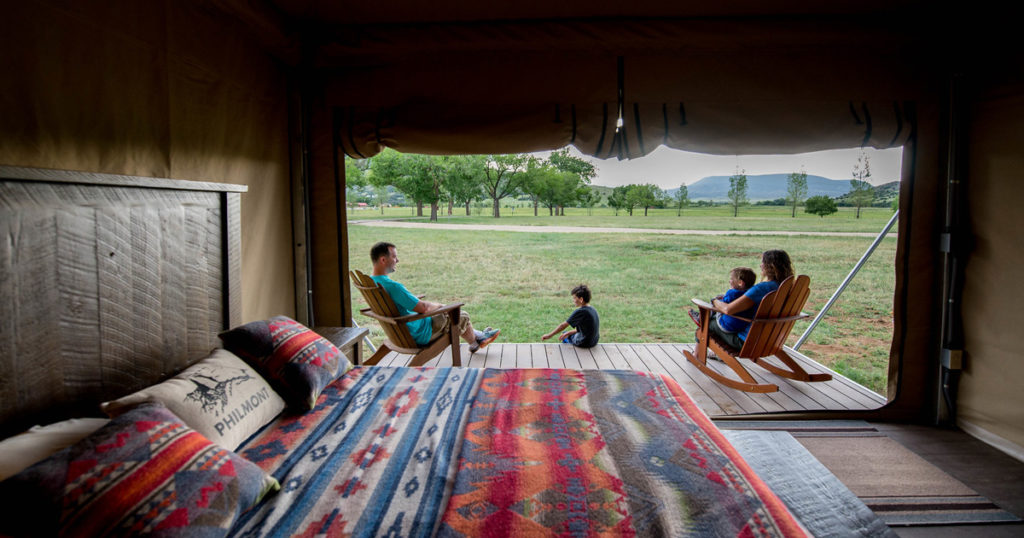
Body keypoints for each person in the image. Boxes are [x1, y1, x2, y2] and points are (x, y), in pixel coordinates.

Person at [369, 241, 499, 353]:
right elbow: (423, 308)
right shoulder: (393, 287)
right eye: (394, 257)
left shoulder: (372, 283)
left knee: (451, 315)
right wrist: (441, 306)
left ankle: (477, 340)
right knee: (460, 315)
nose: (397, 260)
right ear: (383, 260)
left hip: (399, 333)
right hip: (419, 333)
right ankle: (477, 339)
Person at [705, 250, 794, 350]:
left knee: (707, 323)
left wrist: (714, 301)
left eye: (763, 262)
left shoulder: (761, 289)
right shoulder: (787, 288)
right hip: (771, 340)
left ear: (770, 267)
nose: (760, 265)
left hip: (747, 341)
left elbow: (728, 309)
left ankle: (697, 354)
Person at [709, 266, 757, 340]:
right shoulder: (750, 295)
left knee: (715, 302)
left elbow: (723, 306)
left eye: (731, 279)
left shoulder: (732, 293)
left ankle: (701, 317)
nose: (729, 281)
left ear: (740, 283)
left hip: (726, 325)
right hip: (742, 326)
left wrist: (716, 300)